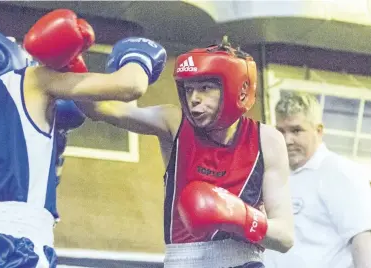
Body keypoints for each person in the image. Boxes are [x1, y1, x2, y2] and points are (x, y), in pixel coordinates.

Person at [0, 9, 167, 268]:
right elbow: (130, 86)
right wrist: (139, 56)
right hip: (19, 248)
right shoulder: (31, 81)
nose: (13, 39)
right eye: (5, 37)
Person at [76, 37, 294, 267]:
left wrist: (238, 215)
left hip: (244, 261)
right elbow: (102, 109)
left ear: (238, 90)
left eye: (206, 88)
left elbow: (285, 237)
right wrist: (70, 62)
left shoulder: (267, 139)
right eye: (189, 89)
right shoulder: (174, 122)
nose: (194, 99)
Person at [263, 92, 371, 268]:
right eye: (281, 131)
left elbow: (364, 241)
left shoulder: (342, 172)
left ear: (319, 131)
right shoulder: (274, 174)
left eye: (296, 130)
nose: (287, 140)